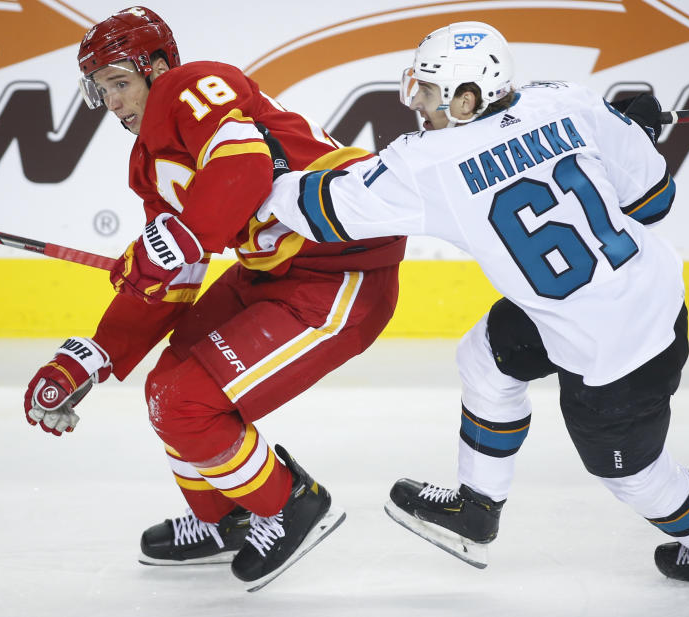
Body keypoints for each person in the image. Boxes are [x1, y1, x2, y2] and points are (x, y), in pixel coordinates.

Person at [258, 21, 689, 581]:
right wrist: (628, 135)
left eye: (427, 90)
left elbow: (324, 211)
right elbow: (654, 204)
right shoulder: (567, 102)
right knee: (487, 354)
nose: (416, 102)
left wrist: (264, 174)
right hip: (642, 299)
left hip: (618, 356)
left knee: (632, 476)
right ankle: (475, 512)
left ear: (466, 99)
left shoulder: (428, 162)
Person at [21, 6, 405, 591]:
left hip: (340, 274)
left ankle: (289, 501)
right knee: (164, 387)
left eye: (121, 82)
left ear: (157, 67)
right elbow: (174, 278)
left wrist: (181, 235)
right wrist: (95, 352)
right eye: (104, 91)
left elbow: (244, 165)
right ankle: (229, 517)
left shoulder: (192, 85)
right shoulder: (148, 165)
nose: (116, 104)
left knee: (186, 404)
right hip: (275, 271)